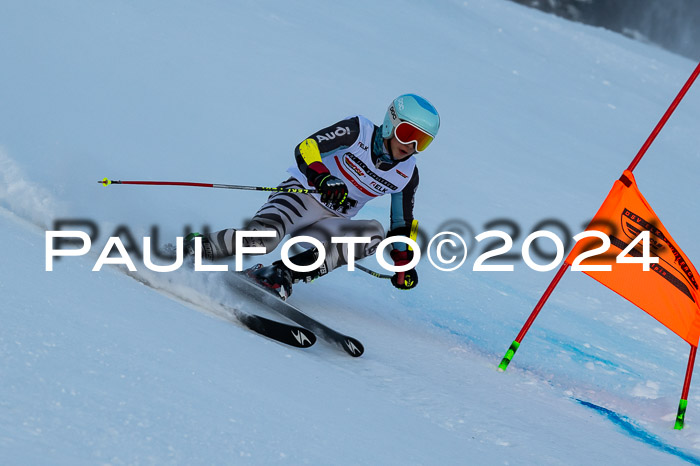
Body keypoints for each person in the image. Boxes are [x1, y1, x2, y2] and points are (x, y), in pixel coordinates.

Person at [186, 93, 440, 300]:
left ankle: (279, 275)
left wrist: (403, 261)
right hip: (302, 197)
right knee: (263, 239)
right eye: (408, 134)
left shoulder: (407, 174)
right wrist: (322, 177)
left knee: (372, 235)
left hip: (331, 222)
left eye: (422, 141)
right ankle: (197, 248)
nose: (411, 147)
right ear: (391, 123)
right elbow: (307, 147)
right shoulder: (357, 131)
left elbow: (402, 223)